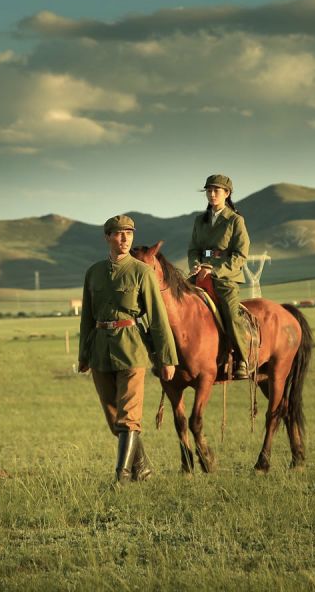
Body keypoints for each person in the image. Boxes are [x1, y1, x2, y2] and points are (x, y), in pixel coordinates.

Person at [78, 214, 178, 483]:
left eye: (129, 234)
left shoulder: (142, 272)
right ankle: (142, 467)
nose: (124, 239)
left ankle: (121, 476)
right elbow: (87, 316)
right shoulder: (94, 272)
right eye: (119, 234)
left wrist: (167, 358)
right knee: (115, 420)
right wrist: (83, 356)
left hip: (132, 348)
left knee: (129, 417)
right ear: (107, 237)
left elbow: (158, 318)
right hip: (100, 350)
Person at [188, 174, 253, 380]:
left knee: (232, 314)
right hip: (201, 274)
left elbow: (240, 255)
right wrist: (196, 265)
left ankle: (243, 359)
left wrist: (215, 270)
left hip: (226, 277)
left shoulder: (235, 221)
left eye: (216, 190)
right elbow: (193, 249)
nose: (212, 194)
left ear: (227, 193)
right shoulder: (200, 220)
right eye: (209, 190)